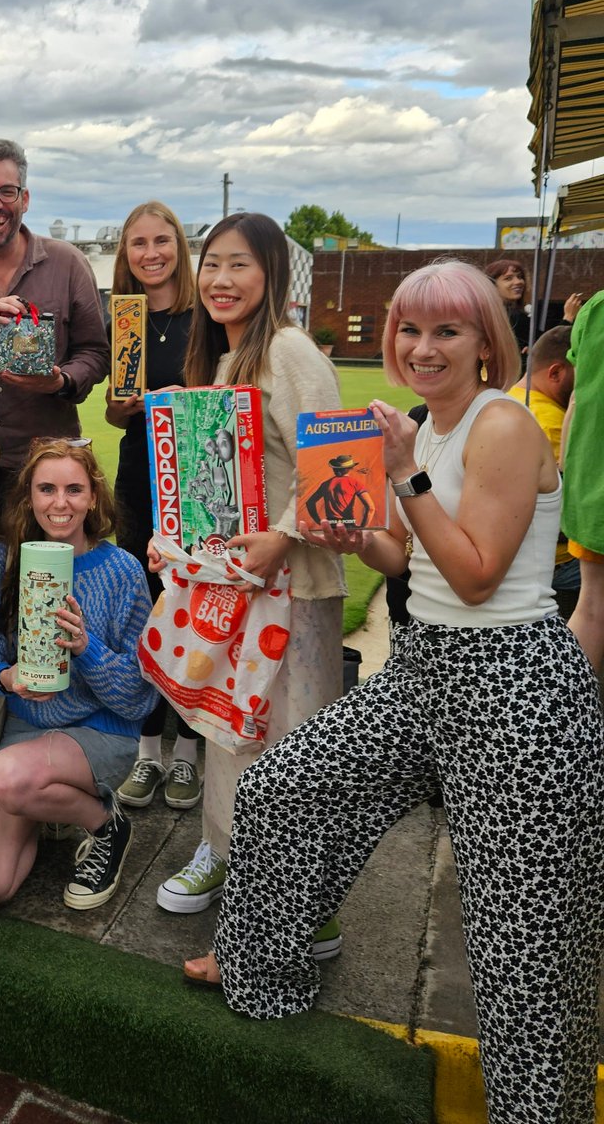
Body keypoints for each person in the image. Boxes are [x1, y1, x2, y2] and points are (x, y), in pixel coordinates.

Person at [188, 261, 604, 1124]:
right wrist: (357, 535)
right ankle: (264, 972)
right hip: (424, 670)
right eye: (409, 330)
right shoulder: (427, 425)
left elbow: (480, 576)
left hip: (514, 688)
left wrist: (408, 478)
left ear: (486, 342)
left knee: (516, 946)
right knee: (283, 788)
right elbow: (408, 560)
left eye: (446, 331)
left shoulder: (504, 426)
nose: (422, 348)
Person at [148, 212, 346, 917]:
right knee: (229, 732)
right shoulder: (224, 361)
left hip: (296, 590)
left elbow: (341, 468)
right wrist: (178, 543)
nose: (221, 280)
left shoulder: (291, 353)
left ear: (273, 275)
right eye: (213, 264)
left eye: (240, 265)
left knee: (291, 749)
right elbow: (215, 489)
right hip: (236, 588)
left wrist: (284, 537)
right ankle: (224, 856)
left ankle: (304, 903)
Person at [0, 439, 156, 918]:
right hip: (25, 731)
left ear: (92, 498)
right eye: (46, 489)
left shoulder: (122, 570)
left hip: (99, 731)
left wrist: (87, 648)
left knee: (4, 777)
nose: (59, 503)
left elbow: (141, 697)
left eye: (73, 490)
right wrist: (6, 677)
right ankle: (47, 812)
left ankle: (105, 824)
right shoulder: (6, 559)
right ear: (29, 497)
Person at [0, 138, 109, 531]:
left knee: (46, 584)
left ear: (25, 198)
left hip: (47, 470)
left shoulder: (67, 263)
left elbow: (94, 352)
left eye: (6, 191)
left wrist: (61, 381)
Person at [101, 202, 202, 813]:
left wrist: (183, 400)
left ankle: (187, 757)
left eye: (161, 241)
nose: (150, 253)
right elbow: (114, 412)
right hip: (138, 476)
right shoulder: (125, 320)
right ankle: (145, 753)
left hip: (193, 480)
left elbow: (227, 398)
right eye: (137, 243)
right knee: (140, 610)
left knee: (191, 609)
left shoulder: (204, 317)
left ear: (179, 246)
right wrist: (133, 405)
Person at [508, 325, 579, 618]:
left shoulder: (505, 399)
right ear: (556, 373)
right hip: (558, 565)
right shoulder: (552, 421)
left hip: (518, 563)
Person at [563, 292, 604, 671]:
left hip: (593, 489)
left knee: (591, 607)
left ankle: (566, 720)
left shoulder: (595, 309)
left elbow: (576, 401)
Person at [484, 257, 581, 371]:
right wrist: (568, 316)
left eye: (520, 277)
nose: (518, 282)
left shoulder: (495, 314)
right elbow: (549, 346)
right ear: (492, 285)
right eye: (508, 278)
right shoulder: (511, 316)